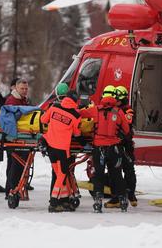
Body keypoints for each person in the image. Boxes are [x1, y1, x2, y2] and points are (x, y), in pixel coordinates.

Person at [80, 85, 130, 213]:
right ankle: (123, 199)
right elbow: (126, 130)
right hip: (114, 148)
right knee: (117, 174)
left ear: (103, 95)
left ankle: (98, 200)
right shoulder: (118, 112)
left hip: (99, 148)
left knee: (99, 174)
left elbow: (80, 113)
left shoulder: (95, 110)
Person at [41, 90, 82, 213]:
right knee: (62, 175)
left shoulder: (54, 107)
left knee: (59, 174)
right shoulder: (76, 115)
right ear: (76, 101)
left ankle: (63, 200)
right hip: (63, 149)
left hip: (50, 146)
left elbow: (43, 120)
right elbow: (77, 133)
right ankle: (53, 203)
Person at [104, 85, 138, 208]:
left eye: (117, 99)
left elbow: (126, 127)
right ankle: (116, 197)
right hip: (115, 144)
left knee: (128, 170)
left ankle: (131, 195)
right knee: (114, 171)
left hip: (125, 145)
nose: (115, 100)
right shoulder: (113, 110)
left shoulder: (128, 111)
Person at [5, 78, 33, 199]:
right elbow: (9, 119)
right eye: (22, 88)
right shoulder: (12, 100)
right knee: (15, 165)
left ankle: (17, 189)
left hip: (23, 136)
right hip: (14, 137)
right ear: (16, 88)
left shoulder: (24, 100)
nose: (25, 90)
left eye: (26, 88)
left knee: (21, 165)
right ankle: (11, 190)